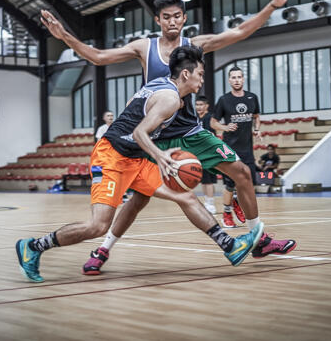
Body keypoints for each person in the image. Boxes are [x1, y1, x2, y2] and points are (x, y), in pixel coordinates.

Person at [40, 0, 297, 275]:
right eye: (166, 17)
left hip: (190, 131)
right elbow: (98, 57)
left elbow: (239, 32)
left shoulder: (195, 45)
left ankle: (259, 239)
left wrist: (272, 6)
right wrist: (64, 36)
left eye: (177, 16)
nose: (172, 22)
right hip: (155, 135)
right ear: (158, 20)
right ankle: (102, 248)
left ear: (184, 18)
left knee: (242, 172)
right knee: (139, 199)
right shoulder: (144, 48)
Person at [15, 46, 263, 282]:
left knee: (185, 197)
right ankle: (34, 246)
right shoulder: (171, 99)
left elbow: (131, 110)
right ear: (186, 73)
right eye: (200, 74)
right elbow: (139, 133)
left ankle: (230, 246)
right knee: (98, 226)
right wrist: (160, 155)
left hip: (135, 159)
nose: (202, 79)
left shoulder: (158, 85)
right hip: (111, 156)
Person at [211, 66, 260, 228]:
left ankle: (237, 202)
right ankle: (227, 212)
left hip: (247, 149)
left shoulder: (252, 98)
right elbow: (213, 122)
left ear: (243, 79)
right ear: (229, 80)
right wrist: (225, 128)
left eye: (239, 77)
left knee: (248, 183)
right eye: (233, 77)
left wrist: (257, 129)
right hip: (230, 149)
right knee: (230, 184)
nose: (237, 80)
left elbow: (256, 116)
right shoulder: (224, 100)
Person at [195, 95, 217, 214]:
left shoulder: (210, 118)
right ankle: (207, 202)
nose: (198, 107)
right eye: (197, 105)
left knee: (208, 180)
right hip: (198, 153)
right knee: (203, 180)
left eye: (201, 105)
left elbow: (213, 135)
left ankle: (211, 204)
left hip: (209, 152)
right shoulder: (195, 119)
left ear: (206, 106)